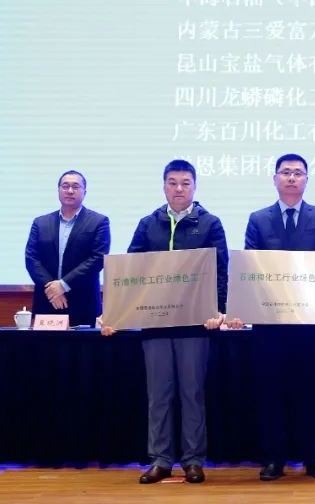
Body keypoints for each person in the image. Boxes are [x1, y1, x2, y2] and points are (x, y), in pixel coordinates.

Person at [103, 159, 228, 486]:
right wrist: (115, 312)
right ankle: (160, 459)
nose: (179, 189)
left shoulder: (210, 223)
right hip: (155, 323)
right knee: (159, 395)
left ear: (195, 187)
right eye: (172, 183)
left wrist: (219, 310)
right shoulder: (148, 224)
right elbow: (129, 272)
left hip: (195, 324)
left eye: (185, 183)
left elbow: (221, 271)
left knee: (192, 393)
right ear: (164, 186)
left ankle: (193, 460)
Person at [244, 154, 315, 482]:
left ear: (307, 180)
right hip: (270, 324)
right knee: (271, 393)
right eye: (286, 172)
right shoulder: (258, 219)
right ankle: (274, 459)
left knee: (311, 392)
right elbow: (251, 267)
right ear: (275, 179)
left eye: (298, 173)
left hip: (310, 322)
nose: (292, 178)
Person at [25, 170, 111, 326]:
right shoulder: (40, 222)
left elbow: (98, 258)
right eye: (65, 186)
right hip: (48, 301)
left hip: (83, 304)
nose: (70, 191)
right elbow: (32, 259)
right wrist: (52, 289)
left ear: (84, 192)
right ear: (58, 190)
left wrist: (63, 285)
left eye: (75, 187)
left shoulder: (99, 222)